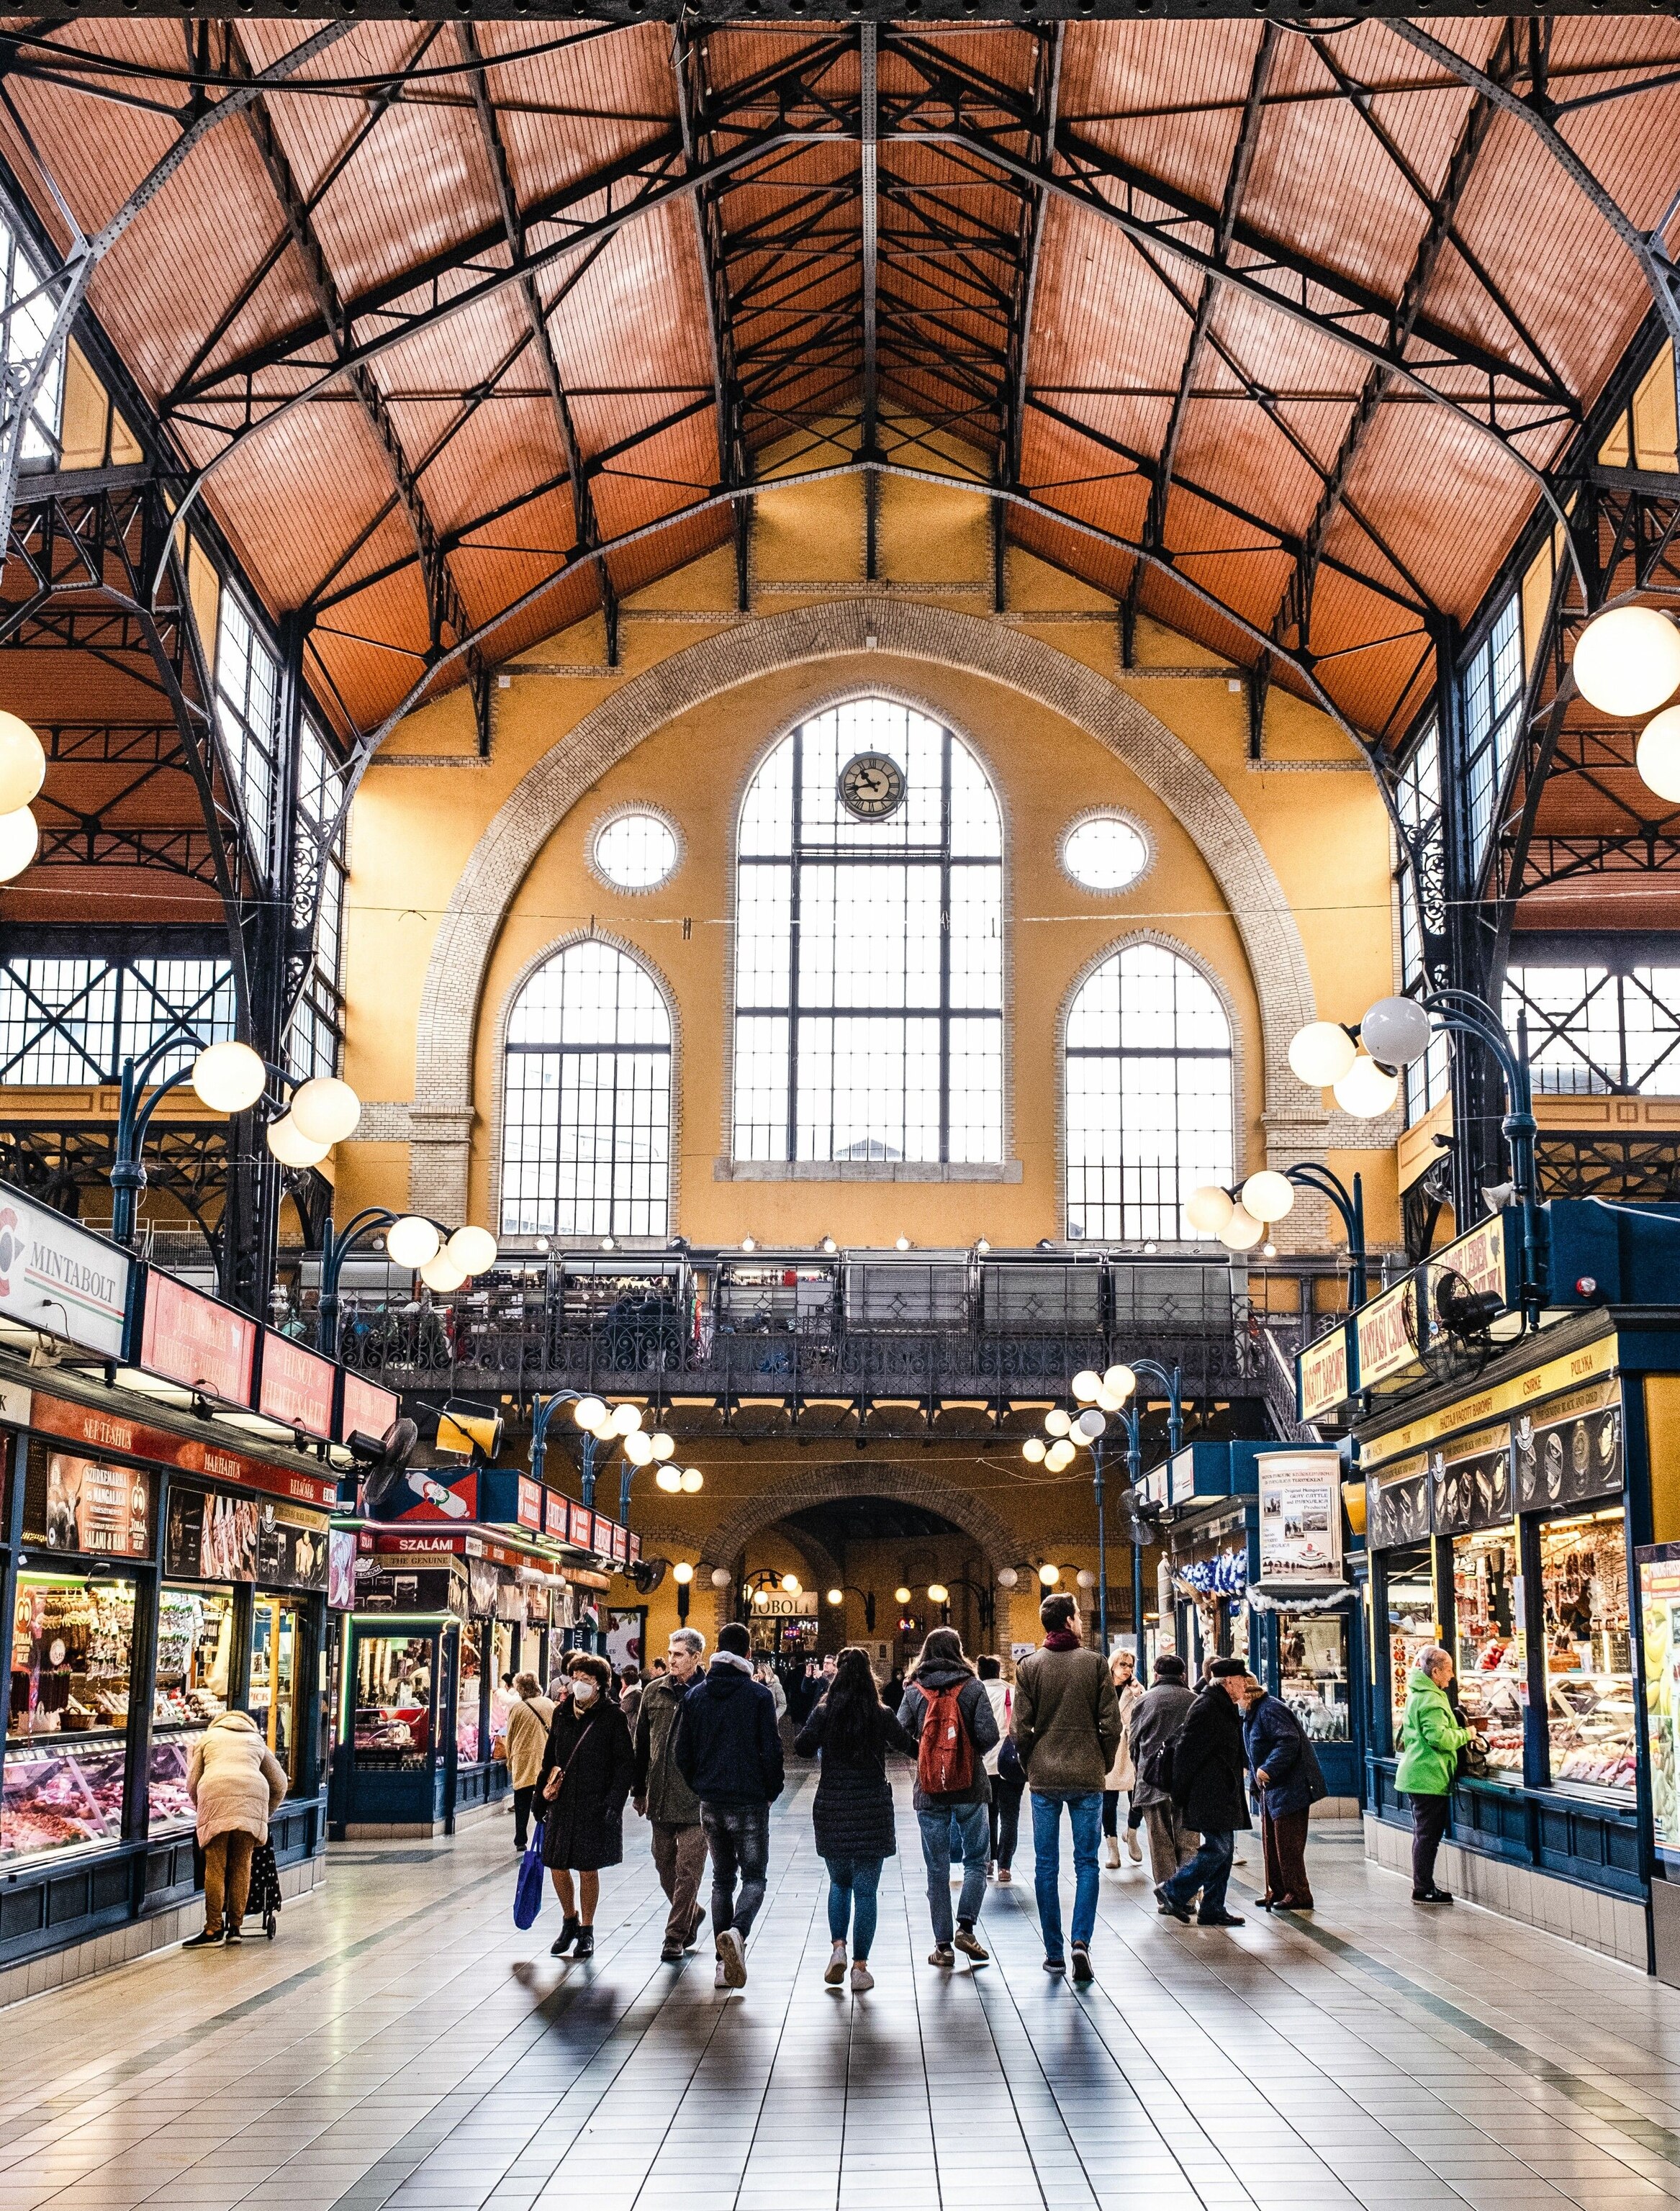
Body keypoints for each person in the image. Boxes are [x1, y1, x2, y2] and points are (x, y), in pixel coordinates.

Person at [1013, 1593, 1121, 1981]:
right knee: (1086, 1862)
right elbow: (1112, 1724)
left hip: (1044, 1777)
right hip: (1086, 1776)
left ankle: (1053, 1952)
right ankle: (1081, 1942)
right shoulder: (1094, 1664)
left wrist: (1031, 1764)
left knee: (1046, 1865)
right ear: (1071, 1621)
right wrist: (1102, 1762)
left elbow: (1018, 1729)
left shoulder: (1029, 1667)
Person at [795, 1646, 916, 1993]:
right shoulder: (880, 1713)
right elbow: (908, 1745)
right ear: (869, 1676)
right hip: (871, 1806)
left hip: (832, 1805)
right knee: (866, 1891)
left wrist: (816, 1722)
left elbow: (803, 1748)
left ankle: (838, 1948)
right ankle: (861, 1968)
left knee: (839, 1883)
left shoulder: (825, 1712)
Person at [674, 1620, 785, 1989]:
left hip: (711, 1802)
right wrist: (773, 1789)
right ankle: (737, 1933)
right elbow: (771, 1750)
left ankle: (723, 1967)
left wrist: (700, 1785)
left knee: (723, 1879)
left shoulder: (695, 1696)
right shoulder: (758, 1696)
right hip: (750, 1800)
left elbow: (682, 1753)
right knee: (754, 1877)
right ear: (748, 1655)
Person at [898, 1627, 998, 1968]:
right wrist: (966, 1755)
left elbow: (899, 1733)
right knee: (976, 1861)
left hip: (929, 1791)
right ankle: (965, 1927)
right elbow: (989, 1734)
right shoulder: (973, 1687)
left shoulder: (913, 1690)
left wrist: (926, 1754)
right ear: (958, 1650)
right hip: (970, 1786)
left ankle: (942, 1947)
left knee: (936, 1869)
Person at [537, 1650, 636, 1961]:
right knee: (555, 1863)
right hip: (563, 1801)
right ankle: (569, 1919)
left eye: (586, 1679)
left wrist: (614, 1803)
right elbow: (550, 1756)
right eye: (575, 1677)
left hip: (595, 1801)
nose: (577, 1683)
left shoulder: (613, 1716)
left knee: (587, 1867)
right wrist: (541, 1796)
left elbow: (624, 1764)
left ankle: (587, 1930)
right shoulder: (562, 1713)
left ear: (600, 1684)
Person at [633, 1628, 710, 1962]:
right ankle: (691, 1913)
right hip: (661, 1796)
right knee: (663, 1863)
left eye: (679, 1654)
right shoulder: (653, 1693)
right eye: (670, 1652)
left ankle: (674, 1936)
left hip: (697, 1800)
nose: (671, 1659)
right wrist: (639, 1789)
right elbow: (641, 1745)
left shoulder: (709, 1695)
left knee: (687, 1870)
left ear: (696, 1657)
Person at [1157, 1655, 1250, 1927]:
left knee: (1226, 1852)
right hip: (1207, 1794)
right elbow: (1186, 1753)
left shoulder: (1223, 1705)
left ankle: (1212, 1908)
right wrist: (1180, 1792)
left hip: (1223, 1792)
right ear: (1229, 1682)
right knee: (1218, 1850)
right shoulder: (1207, 1706)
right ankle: (1173, 1890)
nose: (1246, 1685)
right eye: (1243, 1680)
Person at [184, 1709, 287, 1948]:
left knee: (216, 1866)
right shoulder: (256, 1740)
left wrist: (204, 1809)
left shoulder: (208, 1738)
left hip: (215, 1796)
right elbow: (280, 1784)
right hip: (252, 1799)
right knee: (243, 1864)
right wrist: (264, 1815)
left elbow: (192, 1782)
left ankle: (213, 1930)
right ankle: (236, 1929)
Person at [1397, 1645, 1474, 1904]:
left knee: (1424, 1834)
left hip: (1420, 1774)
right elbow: (1438, 1737)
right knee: (1428, 1836)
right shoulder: (1431, 1698)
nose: (1452, 1676)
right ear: (1436, 1671)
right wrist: (1467, 1734)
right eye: (1449, 1670)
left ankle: (1423, 1885)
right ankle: (1423, 1888)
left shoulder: (1419, 1693)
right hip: (1427, 1776)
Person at [1240, 1673, 1323, 1910]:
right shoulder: (1252, 1713)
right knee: (1271, 1842)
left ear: (1246, 1690)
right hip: (1273, 1789)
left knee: (1288, 1845)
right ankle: (1277, 1890)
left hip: (1292, 1786)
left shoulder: (1269, 1709)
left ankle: (1298, 1894)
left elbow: (1288, 1741)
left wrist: (1269, 1768)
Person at [1129, 1653, 1199, 1893]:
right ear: (1182, 1675)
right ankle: (1187, 1896)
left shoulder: (1145, 1701)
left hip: (1153, 1782)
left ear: (1156, 1674)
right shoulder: (1195, 1700)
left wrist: (1142, 1768)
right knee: (1189, 1841)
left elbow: (1133, 1743)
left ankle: (1167, 1893)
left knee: (1160, 1841)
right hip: (1189, 1783)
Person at [977, 1655, 1023, 1884]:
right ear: (999, 1671)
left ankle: (988, 1861)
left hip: (984, 1764)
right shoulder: (1012, 1691)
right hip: (1011, 1763)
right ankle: (1005, 1866)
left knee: (987, 1815)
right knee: (1010, 1817)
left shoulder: (976, 1692)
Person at [1102, 1647, 1146, 1868]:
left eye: (1130, 1665)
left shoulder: (1137, 1690)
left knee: (1137, 1798)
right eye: (1123, 1665)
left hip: (1130, 1748)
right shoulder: (1102, 1689)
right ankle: (1112, 1849)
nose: (1127, 1670)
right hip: (1109, 1748)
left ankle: (1132, 1833)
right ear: (1113, 1665)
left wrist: (1139, 1696)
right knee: (1108, 1802)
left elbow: (1142, 1718)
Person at [505, 1670, 556, 1855]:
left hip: (523, 1758)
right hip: (545, 1759)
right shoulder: (549, 1704)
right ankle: (547, 1834)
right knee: (548, 1798)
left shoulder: (517, 1708)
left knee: (522, 1800)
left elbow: (509, 1736)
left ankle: (521, 1839)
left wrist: (509, 1759)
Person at [618, 1663, 643, 1727]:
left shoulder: (637, 1694)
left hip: (632, 1729)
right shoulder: (625, 1694)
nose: (621, 1681)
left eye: (623, 1680)